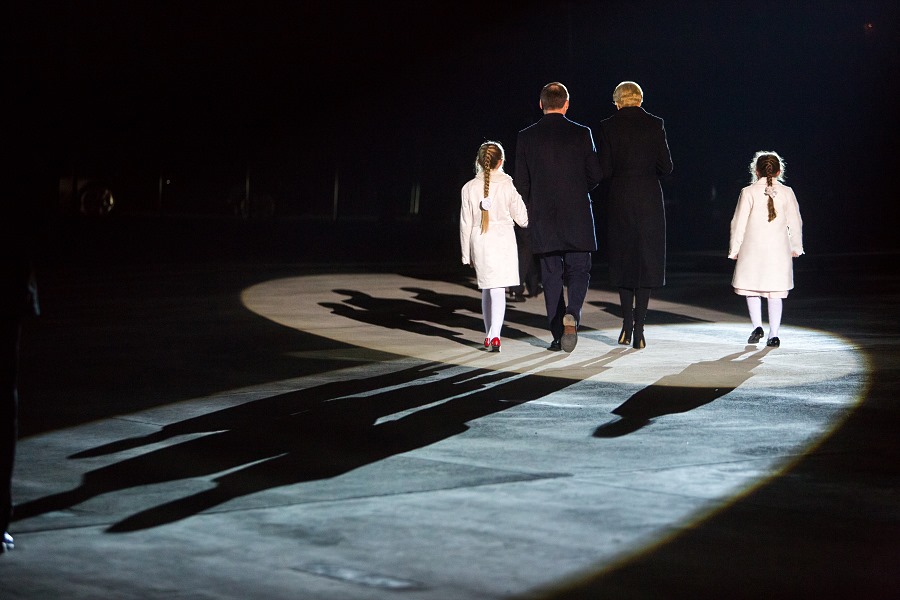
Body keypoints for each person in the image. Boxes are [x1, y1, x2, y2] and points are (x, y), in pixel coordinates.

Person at [515, 82, 603, 352]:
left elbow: (521, 183)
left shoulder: (526, 136)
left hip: (543, 216)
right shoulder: (582, 133)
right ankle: (572, 314)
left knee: (551, 275)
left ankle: (557, 335)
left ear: (541, 104)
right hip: (577, 214)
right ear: (566, 104)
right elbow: (595, 175)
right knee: (579, 270)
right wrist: (577, 190)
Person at [598, 81, 673, 349]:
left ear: (617, 102)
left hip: (621, 198)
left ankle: (626, 327)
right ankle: (639, 330)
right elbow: (666, 166)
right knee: (645, 261)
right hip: (649, 200)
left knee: (624, 260)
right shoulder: (655, 124)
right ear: (640, 99)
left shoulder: (608, 126)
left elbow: (604, 170)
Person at [728, 151, 804, 347]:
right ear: (779, 172)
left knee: (752, 288)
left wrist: (735, 249)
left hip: (752, 249)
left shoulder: (748, 192)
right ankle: (774, 334)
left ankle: (757, 327)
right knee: (775, 292)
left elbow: (738, 223)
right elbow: (795, 222)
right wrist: (796, 246)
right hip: (778, 251)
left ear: (756, 171)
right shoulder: (787, 192)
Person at [460, 141, 529, 352]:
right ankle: (495, 335)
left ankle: (489, 333)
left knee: (487, 287)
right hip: (503, 240)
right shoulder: (507, 185)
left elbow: (464, 224)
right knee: (497, 288)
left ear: (479, 162)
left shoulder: (468, 187)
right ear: (501, 162)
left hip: (480, 241)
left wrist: (466, 254)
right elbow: (523, 219)